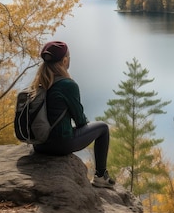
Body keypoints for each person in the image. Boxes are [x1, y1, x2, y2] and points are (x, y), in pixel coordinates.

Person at [29, 40, 115, 188]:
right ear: (65, 60)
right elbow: (80, 121)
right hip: (60, 145)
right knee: (103, 128)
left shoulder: (39, 83)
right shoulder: (68, 85)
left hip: (39, 145)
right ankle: (101, 176)